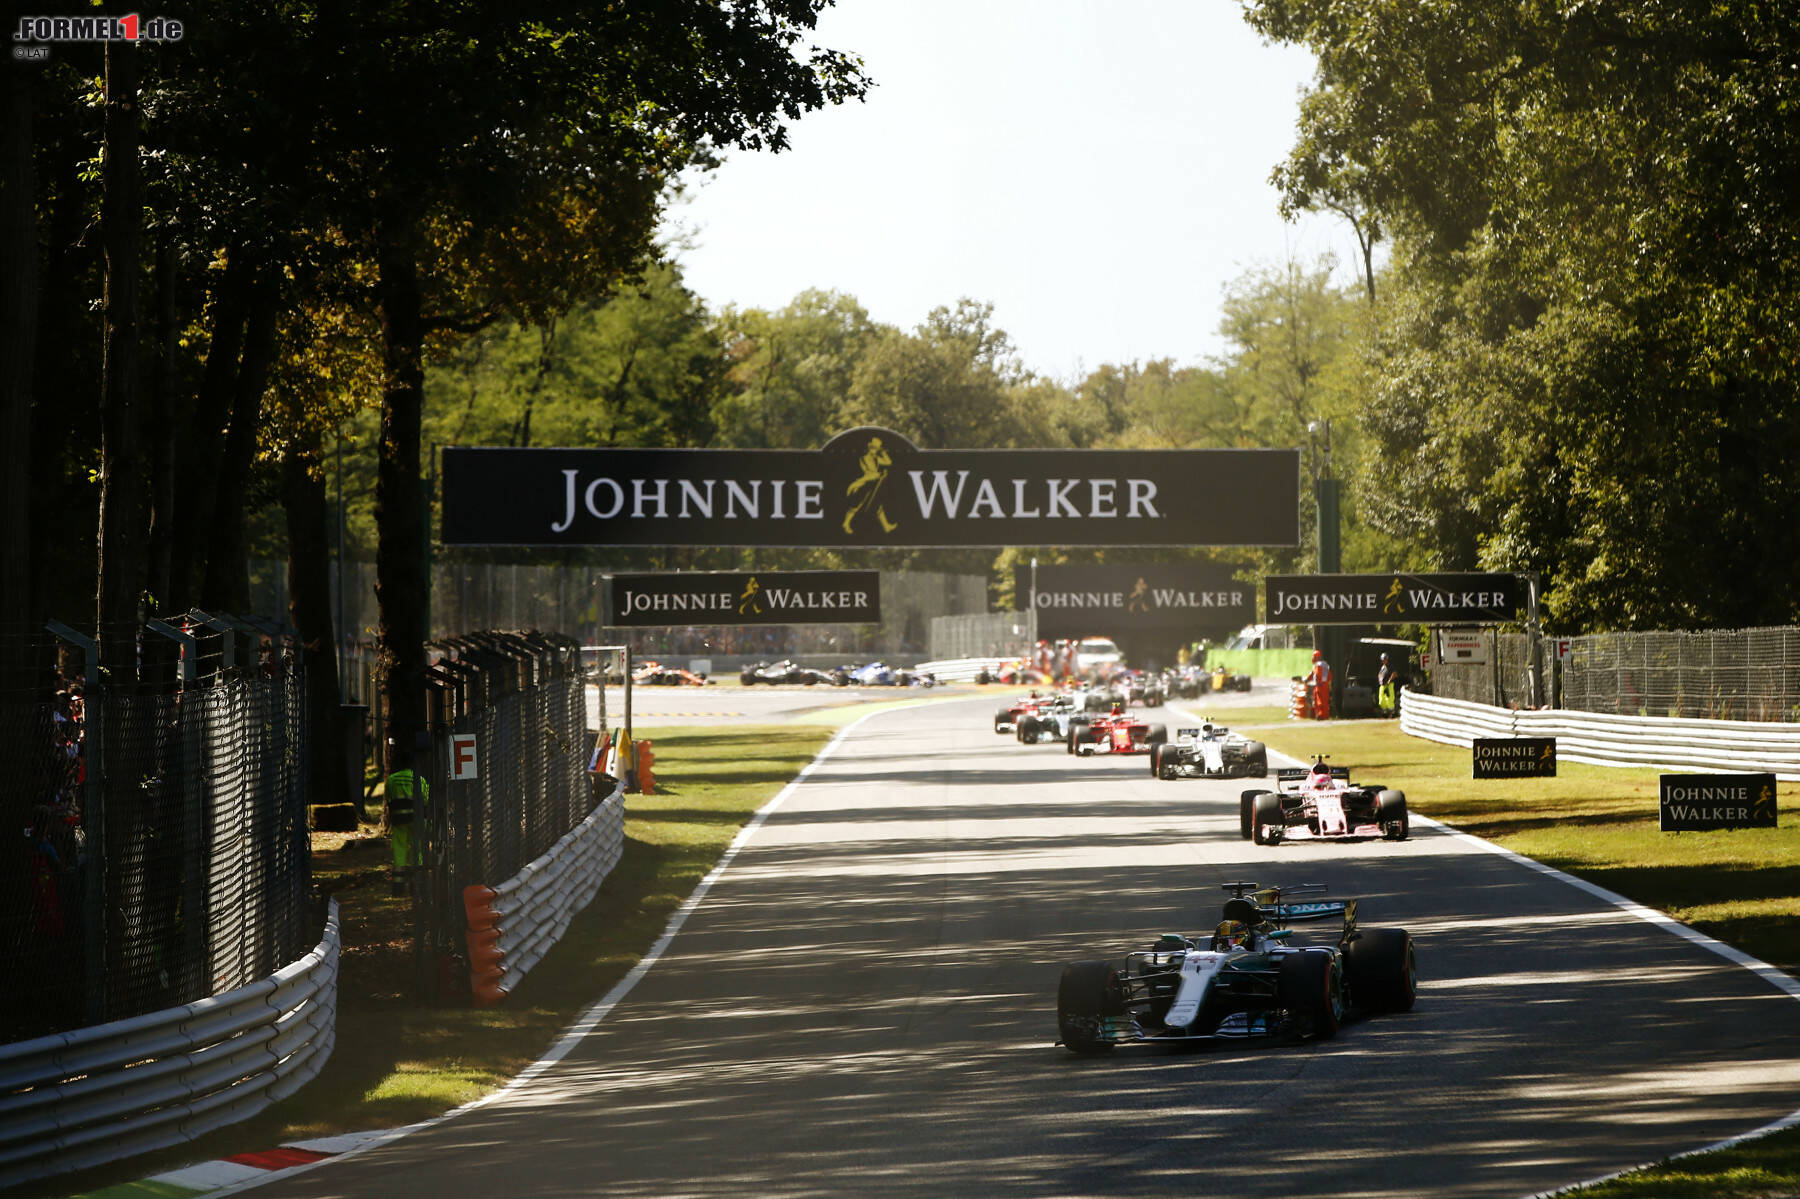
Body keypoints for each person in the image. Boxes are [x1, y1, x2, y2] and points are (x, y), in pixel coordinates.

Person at [1308, 649, 1333, 720]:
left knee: (1319, 701)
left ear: (1316, 657)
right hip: (1325, 685)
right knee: (1325, 701)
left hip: (1319, 686)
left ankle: (1320, 715)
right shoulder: (1325, 665)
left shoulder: (1317, 666)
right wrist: (1329, 686)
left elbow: (1313, 675)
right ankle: (1325, 716)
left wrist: (1306, 680)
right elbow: (1330, 676)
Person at [1376, 652, 1400, 716]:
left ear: (1387, 659)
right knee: (1381, 699)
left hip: (1389, 685)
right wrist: (1379, 679)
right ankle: (1384, 711)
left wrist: (1389, 680)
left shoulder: (1390, 666)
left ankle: (1391, 711)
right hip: (1382, 685)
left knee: (1390, 698)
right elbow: (1379, 674)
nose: (1383, 661)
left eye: (1384, 659)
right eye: (1382, 660)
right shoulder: (1382, 667)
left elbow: (1394, 673)